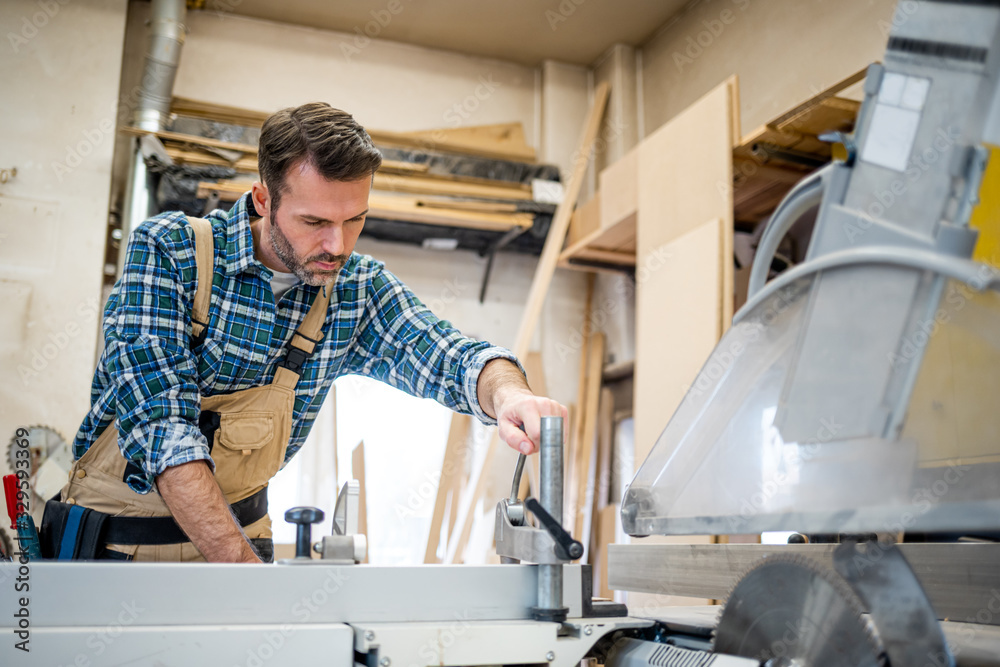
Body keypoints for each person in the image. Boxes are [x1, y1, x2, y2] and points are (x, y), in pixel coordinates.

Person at [54, 102, 567, 563]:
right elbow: (162, 431)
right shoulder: (171, 252)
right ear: (262, 199)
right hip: (118, 547)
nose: (336, 245)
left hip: (242, 536)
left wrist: (510, 395)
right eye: (314, 220)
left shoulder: (356, 288)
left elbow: (445, 354)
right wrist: (248, 581)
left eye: (354, 220)